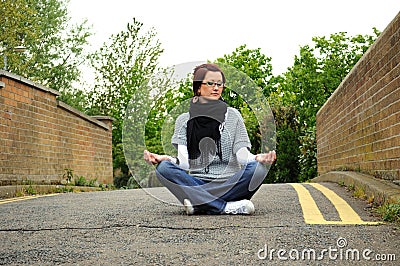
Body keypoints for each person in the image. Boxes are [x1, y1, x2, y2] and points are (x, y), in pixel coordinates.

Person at [144, 63, 276, 215]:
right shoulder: (183, 120)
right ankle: (224, 207)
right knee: (163, 169)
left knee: (258, 168)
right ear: (198, 88)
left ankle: (200, 203)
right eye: (210, 83)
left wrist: (258, 158)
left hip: (230, 183)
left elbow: (242, 155)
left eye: (220, 84)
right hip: (197, 184)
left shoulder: (233, 116)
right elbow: (185, 162)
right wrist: (165, 159)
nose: (216, 88)